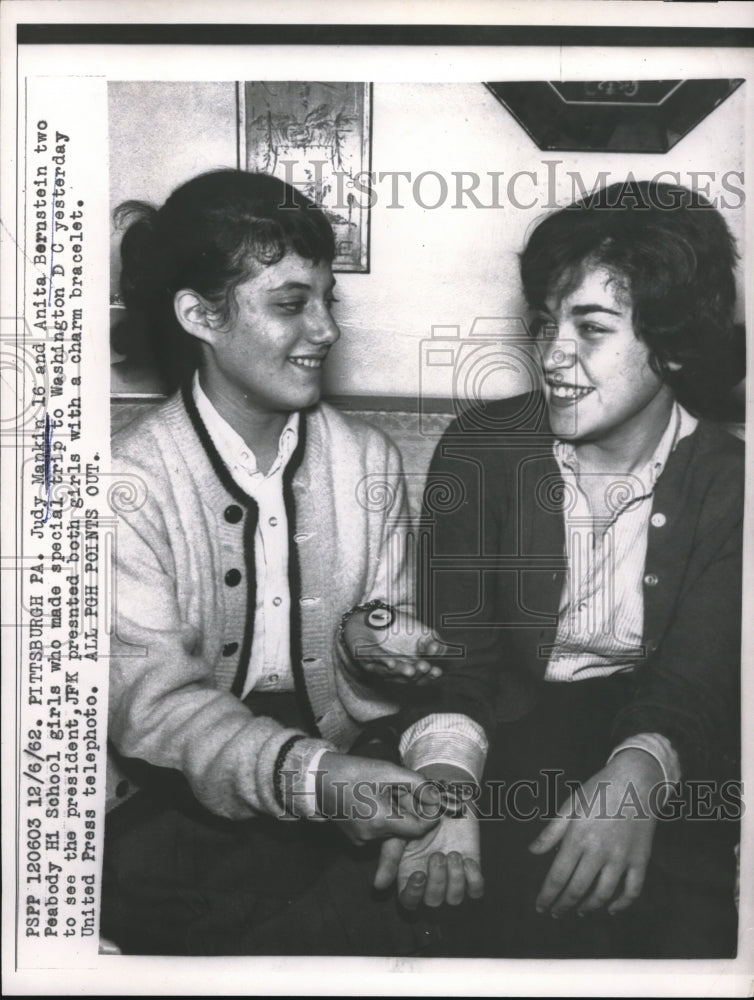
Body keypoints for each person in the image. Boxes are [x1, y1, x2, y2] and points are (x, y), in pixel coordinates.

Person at [382, 180, 745, 958]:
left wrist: (641, 775)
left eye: (592, 328)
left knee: (690, 921)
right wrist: (449, 790)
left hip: (664, 737)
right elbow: (458, 661)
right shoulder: (483, 449)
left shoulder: (728, 479)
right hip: (502, 728)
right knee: (454, 901)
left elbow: (698, 681)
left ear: (674, 342)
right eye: (548, 326)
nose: (553, 357)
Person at [102, 169, 451, 956]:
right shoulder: (126, 485)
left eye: (329, 299)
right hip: (173, 792)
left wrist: (370, 645)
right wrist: (314, 781)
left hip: (343, 764)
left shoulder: (368, 462)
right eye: (292, 303)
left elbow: (371, 675)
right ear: (199, 315)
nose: (325, 329)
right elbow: (153, 710)